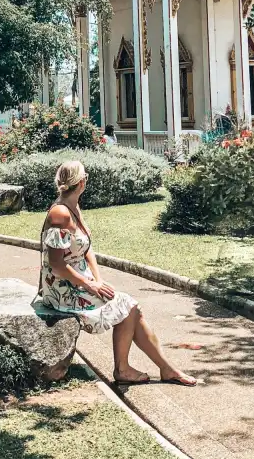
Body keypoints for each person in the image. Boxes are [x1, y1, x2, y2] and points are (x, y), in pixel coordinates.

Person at [35, 159, 197, 386]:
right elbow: (56, 264)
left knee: (133, 310)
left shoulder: (74, 207)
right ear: (82, 182)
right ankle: (123, 369)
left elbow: (86, 249)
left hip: (79, 282)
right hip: (61, 288)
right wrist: (90, 285)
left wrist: (98, 279)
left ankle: (166, 368)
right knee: (129, 307)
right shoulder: (60, 214)